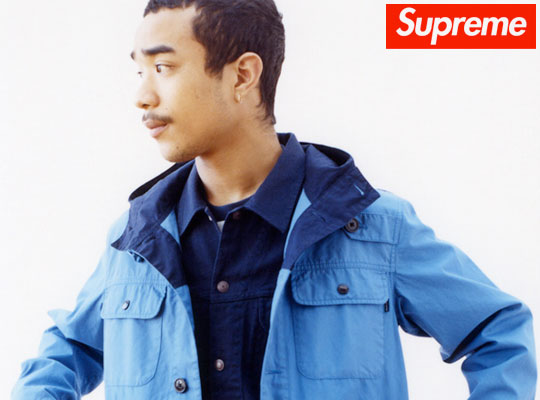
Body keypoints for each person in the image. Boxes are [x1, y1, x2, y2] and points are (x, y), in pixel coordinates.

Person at [12, 0, 537, 399]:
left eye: (164, 68)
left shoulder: (374, 226)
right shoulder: (135, 241)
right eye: (139, 71)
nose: (142, 96)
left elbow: (498, 331)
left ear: (242, 75)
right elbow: (66, 353)